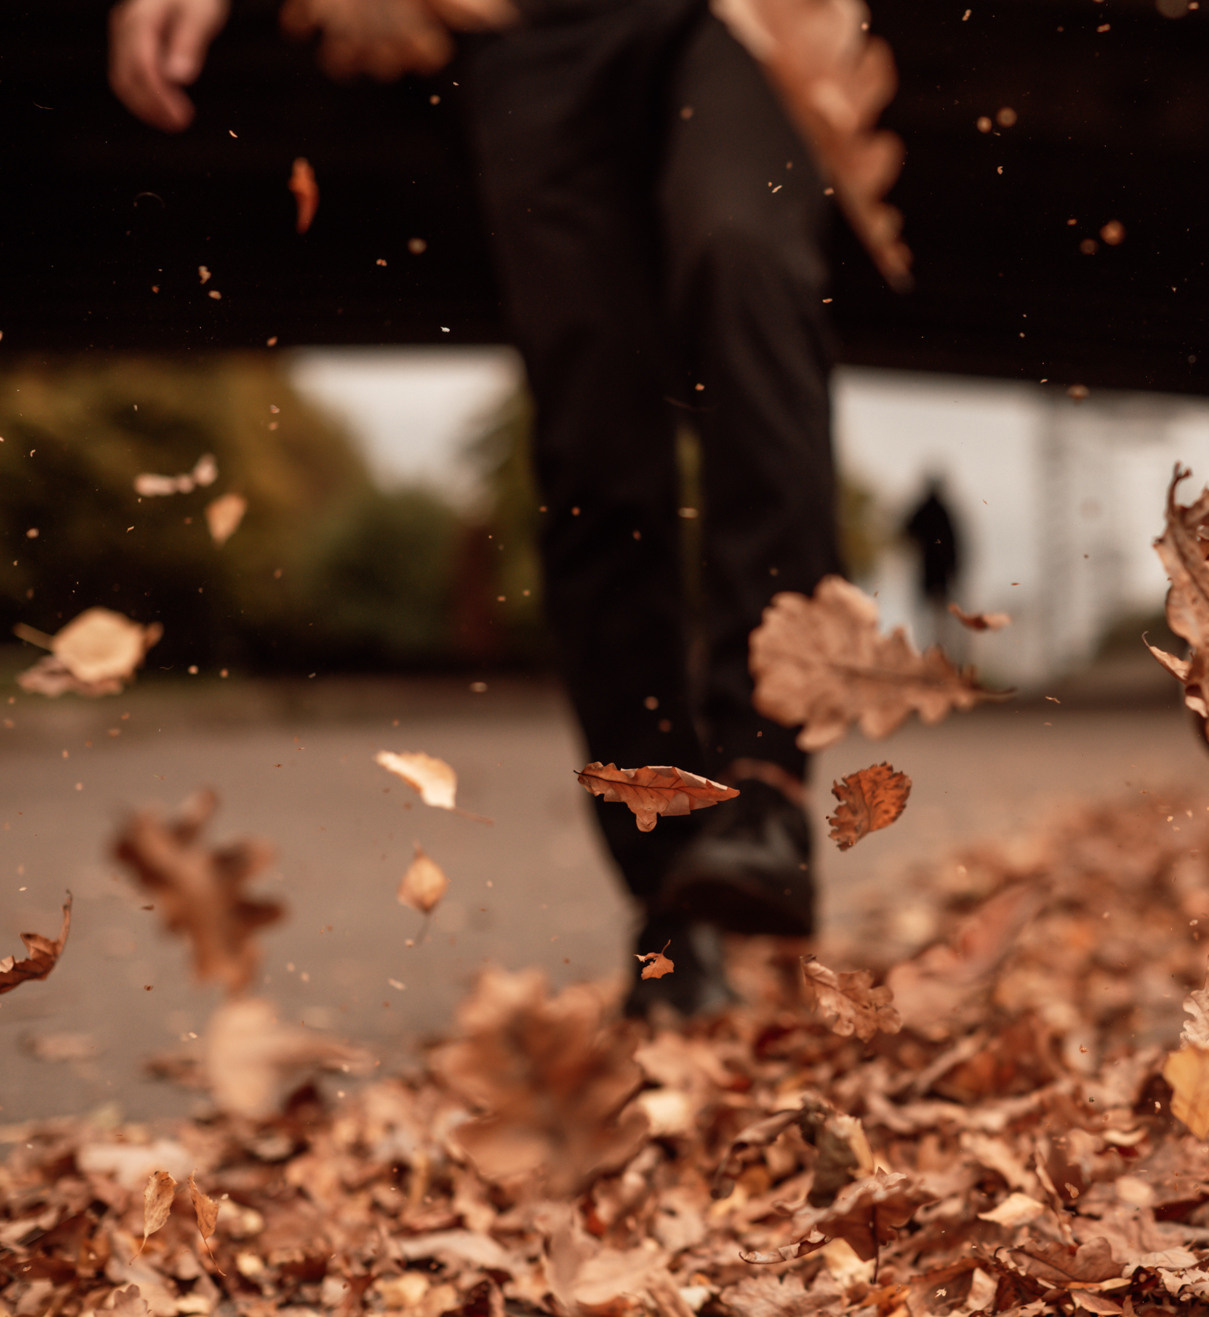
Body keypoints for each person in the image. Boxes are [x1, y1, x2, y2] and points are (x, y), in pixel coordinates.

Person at [109, 0, 845, 1019]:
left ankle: (766, 787)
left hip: (744, 16)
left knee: (741, 257)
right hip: (532, 30)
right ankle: (673, 885)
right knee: (595, 435)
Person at [902, 474, 962, 647]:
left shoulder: (926, 511)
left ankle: (933, 653)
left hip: (932, 573)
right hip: (934, 574)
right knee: (934, 617)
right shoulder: (943, 513)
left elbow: (906, 531)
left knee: (933, 617)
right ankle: (934, 653)